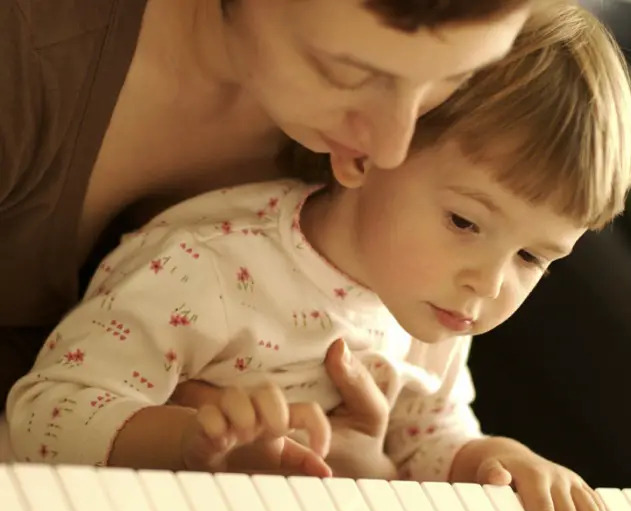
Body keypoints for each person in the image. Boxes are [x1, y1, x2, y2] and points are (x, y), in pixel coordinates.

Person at [7, 1, 631, 511]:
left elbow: (427, 434)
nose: (488, 285)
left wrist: (491, 461)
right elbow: (45, 416)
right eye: (464, 221)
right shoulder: (207, 265)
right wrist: (192, 443)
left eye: (531, 257)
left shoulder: (429, 302)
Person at [0, 0, 531, 416]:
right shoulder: (22, 55)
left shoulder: (401, 152)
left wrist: (358, 466)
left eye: (457, 76)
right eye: (348, 71)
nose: (392, 148)